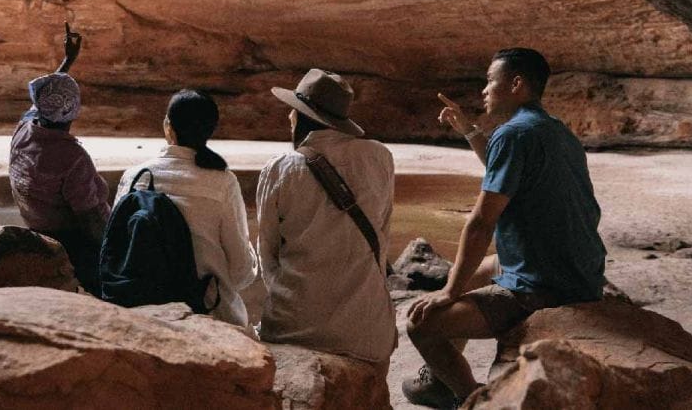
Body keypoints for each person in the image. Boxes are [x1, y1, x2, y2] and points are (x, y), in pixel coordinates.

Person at [403, 48, 607, 408]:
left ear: (515, 84)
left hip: (544, 285)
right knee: (480, 269)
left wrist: (449, 293)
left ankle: (470, 398)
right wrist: (467, 129)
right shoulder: (554, 130)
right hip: (579, 271)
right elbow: (506, 171)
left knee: (421, 324)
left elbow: (482, 222)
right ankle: (439, 376)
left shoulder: (512, 134)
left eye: (489, 81)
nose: (484, 90)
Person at [256, 69, 396, 366]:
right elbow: (381, 236)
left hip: (291, 325)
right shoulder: (379, 156)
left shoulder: (280, 167)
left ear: (299, 116)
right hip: (366, 329)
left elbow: (267, 253)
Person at [113, 89, 258, 329]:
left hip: (141, 310)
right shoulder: (223, 182)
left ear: (167, 126)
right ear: (210, 130)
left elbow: (115, 249)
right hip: (207, 314)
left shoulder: (134, 177)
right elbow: (241, 273)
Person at [8, 23, 111, 295]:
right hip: (71, 242)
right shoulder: (72, 157)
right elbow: (90, 220)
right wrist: (115, 254)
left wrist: (68, 61)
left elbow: (45, 100)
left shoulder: (24, 130)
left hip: (37, 225)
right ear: (74, 112)